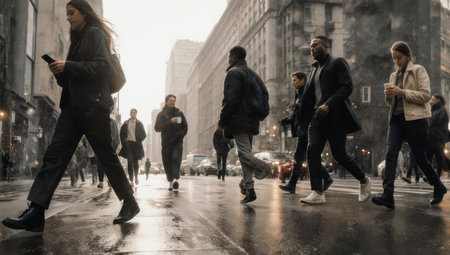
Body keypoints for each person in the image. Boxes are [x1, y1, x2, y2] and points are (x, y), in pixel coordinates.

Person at [2, 0, 139, 232]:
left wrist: (69, 67)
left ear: (84, 13)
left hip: (94, 107)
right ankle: (35, 212)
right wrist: (60, 72)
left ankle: (130, 202)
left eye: (71, 12)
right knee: (54, 156)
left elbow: (103, 68)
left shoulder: (95, 34)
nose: (68, 17)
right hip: (72, 109)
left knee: (106, 157)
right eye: (66, 13)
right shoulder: (76, 40)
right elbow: (73, 77)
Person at [372, 41, 447, 209]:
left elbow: (425, 95)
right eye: (394, 59)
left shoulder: (418, 70)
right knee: (391, 154)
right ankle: (387, 195)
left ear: (407, 56)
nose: (396, 61)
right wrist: (389, 95)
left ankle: (439, 186)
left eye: (399, 57)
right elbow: (391, 103)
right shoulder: (393, 76)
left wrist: (402, 92)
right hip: (396, 120)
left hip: (416, 120)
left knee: (420, 158)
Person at [298, 36, 371, 205]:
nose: (312, 48)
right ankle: (317, 191)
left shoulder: (337, 62)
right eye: (310, 46)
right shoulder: (313, 71)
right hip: (317, 119)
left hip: (335, 117)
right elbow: (308, 100)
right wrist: (302, 122)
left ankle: (364, 180)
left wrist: (328, 105)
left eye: (315, 45)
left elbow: (347, 87)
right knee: (312, 150)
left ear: (326, 46)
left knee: (340, 155)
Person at [218, 46, 271, 204]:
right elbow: (265, 95)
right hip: (252, 120)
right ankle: (249, 189)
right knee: (243, 153)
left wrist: (222, 120)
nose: (228, 59)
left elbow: (230, 99)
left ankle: (264, 167)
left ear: (233, 57)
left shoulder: (233, 73)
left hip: (238, 120)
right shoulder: (254, 74)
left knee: (244, 154)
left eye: (229, 56)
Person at [279, 71, 308, 193]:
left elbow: (308, 107)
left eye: (295, 80)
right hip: (302, 128)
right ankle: (291, 185)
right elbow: (298, 112)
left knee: (303, 157)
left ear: (302, 80)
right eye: (292, 80)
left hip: (307, 128)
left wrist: (297, 106)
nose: (292, 83)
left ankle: (292, 185)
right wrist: (288, 118)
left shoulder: (306, 91)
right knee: (301, 157)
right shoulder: (298, 92)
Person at [154, 94, 188, 191]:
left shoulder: (179, 113)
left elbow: (185, 127)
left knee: (176, 158)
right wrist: (170, 122)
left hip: (177, 142)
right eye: (171, 100)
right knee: (167, 162)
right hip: (166, 143)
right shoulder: (161, 114)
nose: (173, 102)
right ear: (166, 102)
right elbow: (157, 128)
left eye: (174, 101)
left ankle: (176, 179)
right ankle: (170, 181)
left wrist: (180, 135)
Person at [119, 108, 146, 187]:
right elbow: (121, 134)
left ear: (136, 114)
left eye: (134, 112)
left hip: (136, 145)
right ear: (130, 114)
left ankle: (136, 177)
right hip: (128, 145)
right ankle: (131, 180)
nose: (133, 114)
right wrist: (125, 142)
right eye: (131, 112)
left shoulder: (139, 123)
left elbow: (144, 135)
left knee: (135, 162)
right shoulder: (126, 123)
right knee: (129, 162)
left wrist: (138, 140)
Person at [425, 94, 449, 178]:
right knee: (429, 157)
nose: (431, 100)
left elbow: (431, 121)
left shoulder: (441, 110)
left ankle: (436, 177)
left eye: (432, 98)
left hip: (438, 138)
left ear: (438, 100)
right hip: (433, 137)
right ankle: (431, 176)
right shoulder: (433, 109)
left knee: (437, 159)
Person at [97, 117, 120, 188]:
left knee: (109, 164)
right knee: (100, 163)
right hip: (101, 146)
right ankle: (101, 182)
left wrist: (113, 147)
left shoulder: (113, 122)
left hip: (110, 146)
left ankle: (110, 181)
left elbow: (115, 135)